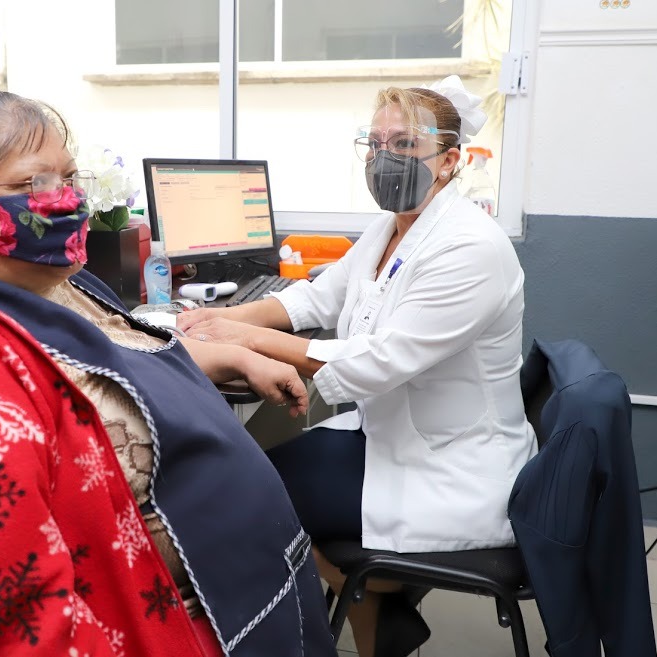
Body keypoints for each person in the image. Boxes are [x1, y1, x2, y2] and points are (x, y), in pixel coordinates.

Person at [0, 90, 337, 657]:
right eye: (34, 185)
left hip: (244, 596)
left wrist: (230, 355)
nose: (67, 200)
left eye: (69, 178)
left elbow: (107, 357)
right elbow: (6, 636)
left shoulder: (51, 283)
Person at [177, 76, 538, 657]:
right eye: (376, 143)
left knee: (248, 494)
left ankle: (354, 608)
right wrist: (217, 318)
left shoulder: (470, 247)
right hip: (393, 437)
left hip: (449, 467)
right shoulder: (390, 228)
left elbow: (378, 363)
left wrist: (240, 338)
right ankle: (378, 616)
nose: (384, 158)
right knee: (254, 472)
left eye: (405, 144)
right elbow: (316, 299)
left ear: (450, 161)